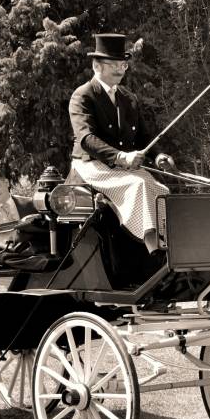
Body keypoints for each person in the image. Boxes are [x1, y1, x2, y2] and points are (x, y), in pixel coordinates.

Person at [68, 33, 171, 254]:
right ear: (97, 66)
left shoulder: (128, 97)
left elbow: (144, 137)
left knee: (161, 190)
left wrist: (159, 155)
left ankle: (168, 243)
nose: (120, 70)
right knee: (139, 185)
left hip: (122, 167)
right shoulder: (83, 96)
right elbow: (86, 139)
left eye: (123, 64)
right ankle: (152, 248)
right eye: (113, 64)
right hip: (90, 166)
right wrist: (121, 157)